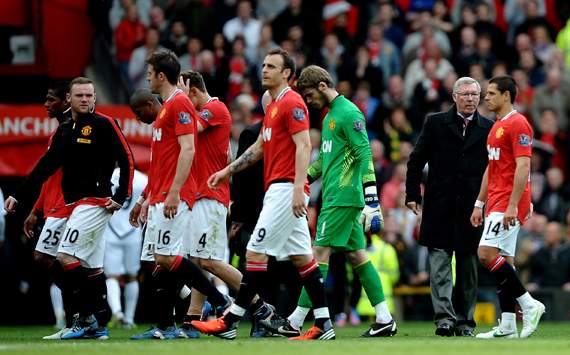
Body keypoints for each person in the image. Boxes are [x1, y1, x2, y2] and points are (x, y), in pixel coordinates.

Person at [191, 48, 334, 340]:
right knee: (303, 259)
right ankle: (324, 324)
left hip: (285, 189)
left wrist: (297, 189)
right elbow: (257, 149)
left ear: (286, 74)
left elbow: (305, 145)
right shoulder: (273, 109)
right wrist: (227, 172)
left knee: (255, 252)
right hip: (278, 188)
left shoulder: (292, 101)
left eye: (271, 66)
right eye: (264, 65)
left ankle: (231, 319)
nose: (264, 70)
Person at [261, 65, 396, 338]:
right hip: (336, 196)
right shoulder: (329, 116)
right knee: (357, 255)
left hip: (342, 197)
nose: (308, 101)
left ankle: (296, 320)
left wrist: (372, 199)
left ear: (322, 86)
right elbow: (326, 158)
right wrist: (303, 177)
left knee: (317, 253)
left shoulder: (348, 113)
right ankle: (384, 318)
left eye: (309, 94)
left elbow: (364, 153)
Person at [4, 77, 135, 340]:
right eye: (80, 96)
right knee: (92, 267)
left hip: (95, 202)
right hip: (74, 205)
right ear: (70, 100)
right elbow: (45, 167)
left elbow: (127, 158)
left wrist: (122, 196)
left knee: (63, 256)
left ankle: (86, 320)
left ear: (95, 98)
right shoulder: (65, 131)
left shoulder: (105, 123)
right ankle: (98, 323)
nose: (85, 100)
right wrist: (18, 196)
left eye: (89, 95)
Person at [129, 51, 230, 340]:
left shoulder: (180, 103)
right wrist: (144, 199)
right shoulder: (166, 109)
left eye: (150, 72)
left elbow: (189, 149)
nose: (147, 76)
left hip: (178, 196)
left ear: (161, 75)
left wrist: (173, 193)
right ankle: (165, 325)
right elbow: (162, 163)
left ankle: (220, 301)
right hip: (159, 196)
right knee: (158, 262)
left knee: (170, 257)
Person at [176, 70, 274, 338]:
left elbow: (188, 128)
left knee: (210, 262)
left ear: (192, 91)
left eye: (183, 93)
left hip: (211, 197)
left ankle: (260, 308)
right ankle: (192, 319)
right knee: (198, 260)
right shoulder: (203, 111)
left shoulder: (214, 108)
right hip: (201, 196)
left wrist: (179, 101)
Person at [405, 77, 493, 337]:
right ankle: (445, 319)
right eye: (465, 94)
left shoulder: (488, 128)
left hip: (472, 209)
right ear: (454, 96)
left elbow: (495, 170)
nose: (470, 99)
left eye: (475, 94)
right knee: (440, 268)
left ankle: (465, 322)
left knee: (468, 270)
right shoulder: (435, 123)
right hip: (439, 207)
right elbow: (415, 160)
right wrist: (412, 194)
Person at [471, 75, 546, 339]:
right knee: (506, 263)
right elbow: (491, 169)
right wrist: (479, 203)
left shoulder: (519, 123)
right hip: (496, 199)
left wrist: (514, 204)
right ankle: (507, 325)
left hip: (508, 202)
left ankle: (529, 305)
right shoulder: (495, 127)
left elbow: (524, 166)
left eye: (491, 93)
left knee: (486, 254)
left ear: (506, 95)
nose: (486, 97)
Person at [19, 82, 73, 339]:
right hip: (52, 207)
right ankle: (81, 315)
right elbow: (48, 178)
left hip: (66, 207)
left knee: (49, 258)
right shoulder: (57, 133)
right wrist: (35, 210)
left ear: (66, 100)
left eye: (51, 100)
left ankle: (82, 315)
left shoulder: (69, 131)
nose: (46, 104)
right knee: (60, 261)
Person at [103, 167, 148, 329]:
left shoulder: (108, 175)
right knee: (132, 276)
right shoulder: (142, 179)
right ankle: (128, 319)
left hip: (111, 230)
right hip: (133, 231)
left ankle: (117, 311)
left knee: (112, 276)